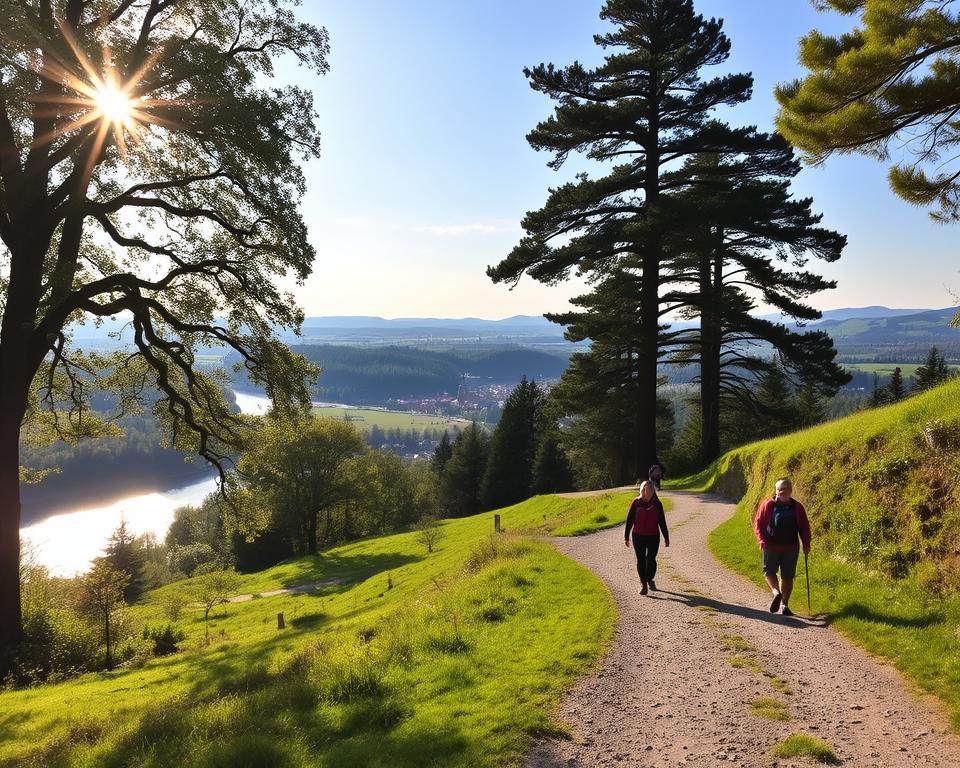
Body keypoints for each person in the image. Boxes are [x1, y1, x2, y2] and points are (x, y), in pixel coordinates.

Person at [754, 478, 811, 616]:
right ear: (775, 490)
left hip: (791, 548)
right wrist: (761, 540)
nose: (781, 491)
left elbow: (804, 527)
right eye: (779, 488)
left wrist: (806, 543)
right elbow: (759, 524)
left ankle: (784, 604)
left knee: (787, 577)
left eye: (785, 488)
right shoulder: (768, 505)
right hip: (770, 546)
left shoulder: (797, 508)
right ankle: (777, 594)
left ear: (791, 490)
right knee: (769, 572)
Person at [624, 480, 670, 595]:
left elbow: (662, 522)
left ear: (653, 492)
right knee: (641, 559)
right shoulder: (636, 502)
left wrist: (666, 537)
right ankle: (643, 584)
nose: (647, 494)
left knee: (651, 559)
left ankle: (650, 578)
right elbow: (629, 520)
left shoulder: (657, 504)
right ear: (642, 491)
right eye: (645, 491)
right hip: (638, 536)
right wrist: (626, 536)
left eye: (650, 491)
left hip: (653, 536)